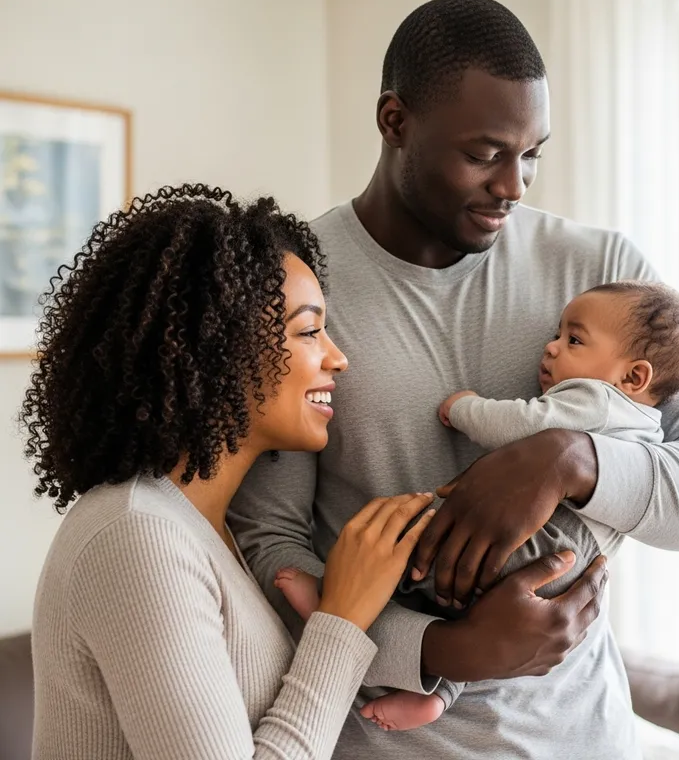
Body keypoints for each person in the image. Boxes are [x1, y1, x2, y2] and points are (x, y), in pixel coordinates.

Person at [229, 0, 679, 759]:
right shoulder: (297, 286)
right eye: (485, 154)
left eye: (533, 152)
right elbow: (271, 546)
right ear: (395, 121)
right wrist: (445, 649)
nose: (515, 185)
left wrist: (567, 460)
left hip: (589, 741)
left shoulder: (603, 277)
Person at [22, 183, 440, 760]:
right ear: (217, 344)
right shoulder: (136, 534)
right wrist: (342, 618)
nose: (337, 357)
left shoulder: (199, 526)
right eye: (309, 330)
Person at [275, 280, 679, 730]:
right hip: (569, 567)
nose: (552, 347)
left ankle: (333, 600)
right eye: (558, 334)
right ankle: (438, 696)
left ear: (633, 377)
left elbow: (523, 423)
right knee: (477, 622)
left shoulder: (597, 401)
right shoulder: (648, 431)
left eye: (573, 340)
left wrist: (465, 408)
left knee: (414, 536)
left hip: (544, 540)